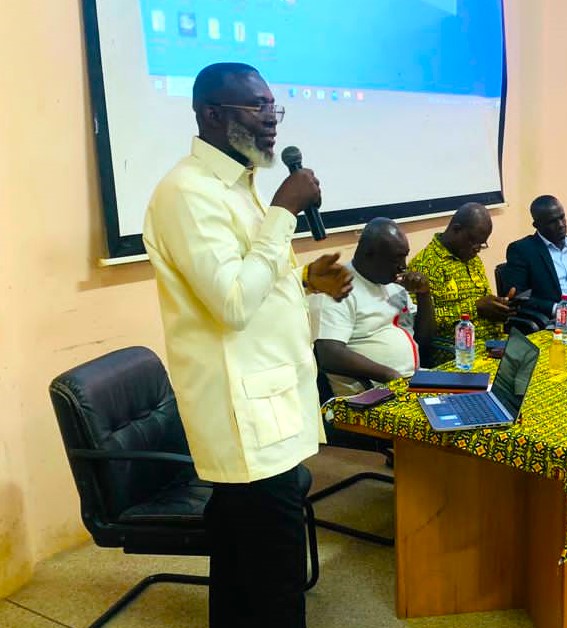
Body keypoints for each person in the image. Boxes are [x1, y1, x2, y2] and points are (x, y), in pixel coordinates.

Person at [143, 62, 353, 628]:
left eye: (272, 107)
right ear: (212, 114)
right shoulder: (187, 193)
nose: (270, 119)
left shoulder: (238, 186)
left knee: (241, 568)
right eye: (256, 107)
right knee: (276, 583)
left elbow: (248, 280)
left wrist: (304, 281)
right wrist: (283, 212)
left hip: (269, 401)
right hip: (243, 414)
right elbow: (232, 303)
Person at [310, 218, 435, 396]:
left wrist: (424, 295)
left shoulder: (393, 283)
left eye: (405, 256)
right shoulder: (336, 287)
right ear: (368, 254)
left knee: (468, 400)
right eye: (396, 258)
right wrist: (389, 375)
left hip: (411, 381)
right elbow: (329, 355)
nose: (403, 266)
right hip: (371, 394)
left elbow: (424, 339)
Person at [407, 202, 515, 344]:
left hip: (495, 342)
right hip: (461, 350)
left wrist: (500, 308)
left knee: (533, 352)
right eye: (474, 242)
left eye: (482, 244)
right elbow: (421, 324)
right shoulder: (425, 265)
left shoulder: (472, 258)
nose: (477, 249)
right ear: (456, 229)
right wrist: (475, 308)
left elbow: (485, 305)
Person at [502, 195, 567, 317]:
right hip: (553, 322)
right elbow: (519, 297)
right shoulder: (522, 250)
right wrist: (557, 310)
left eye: (562, 217)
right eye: (552, 221)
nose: (561, 224)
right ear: (536, 225)